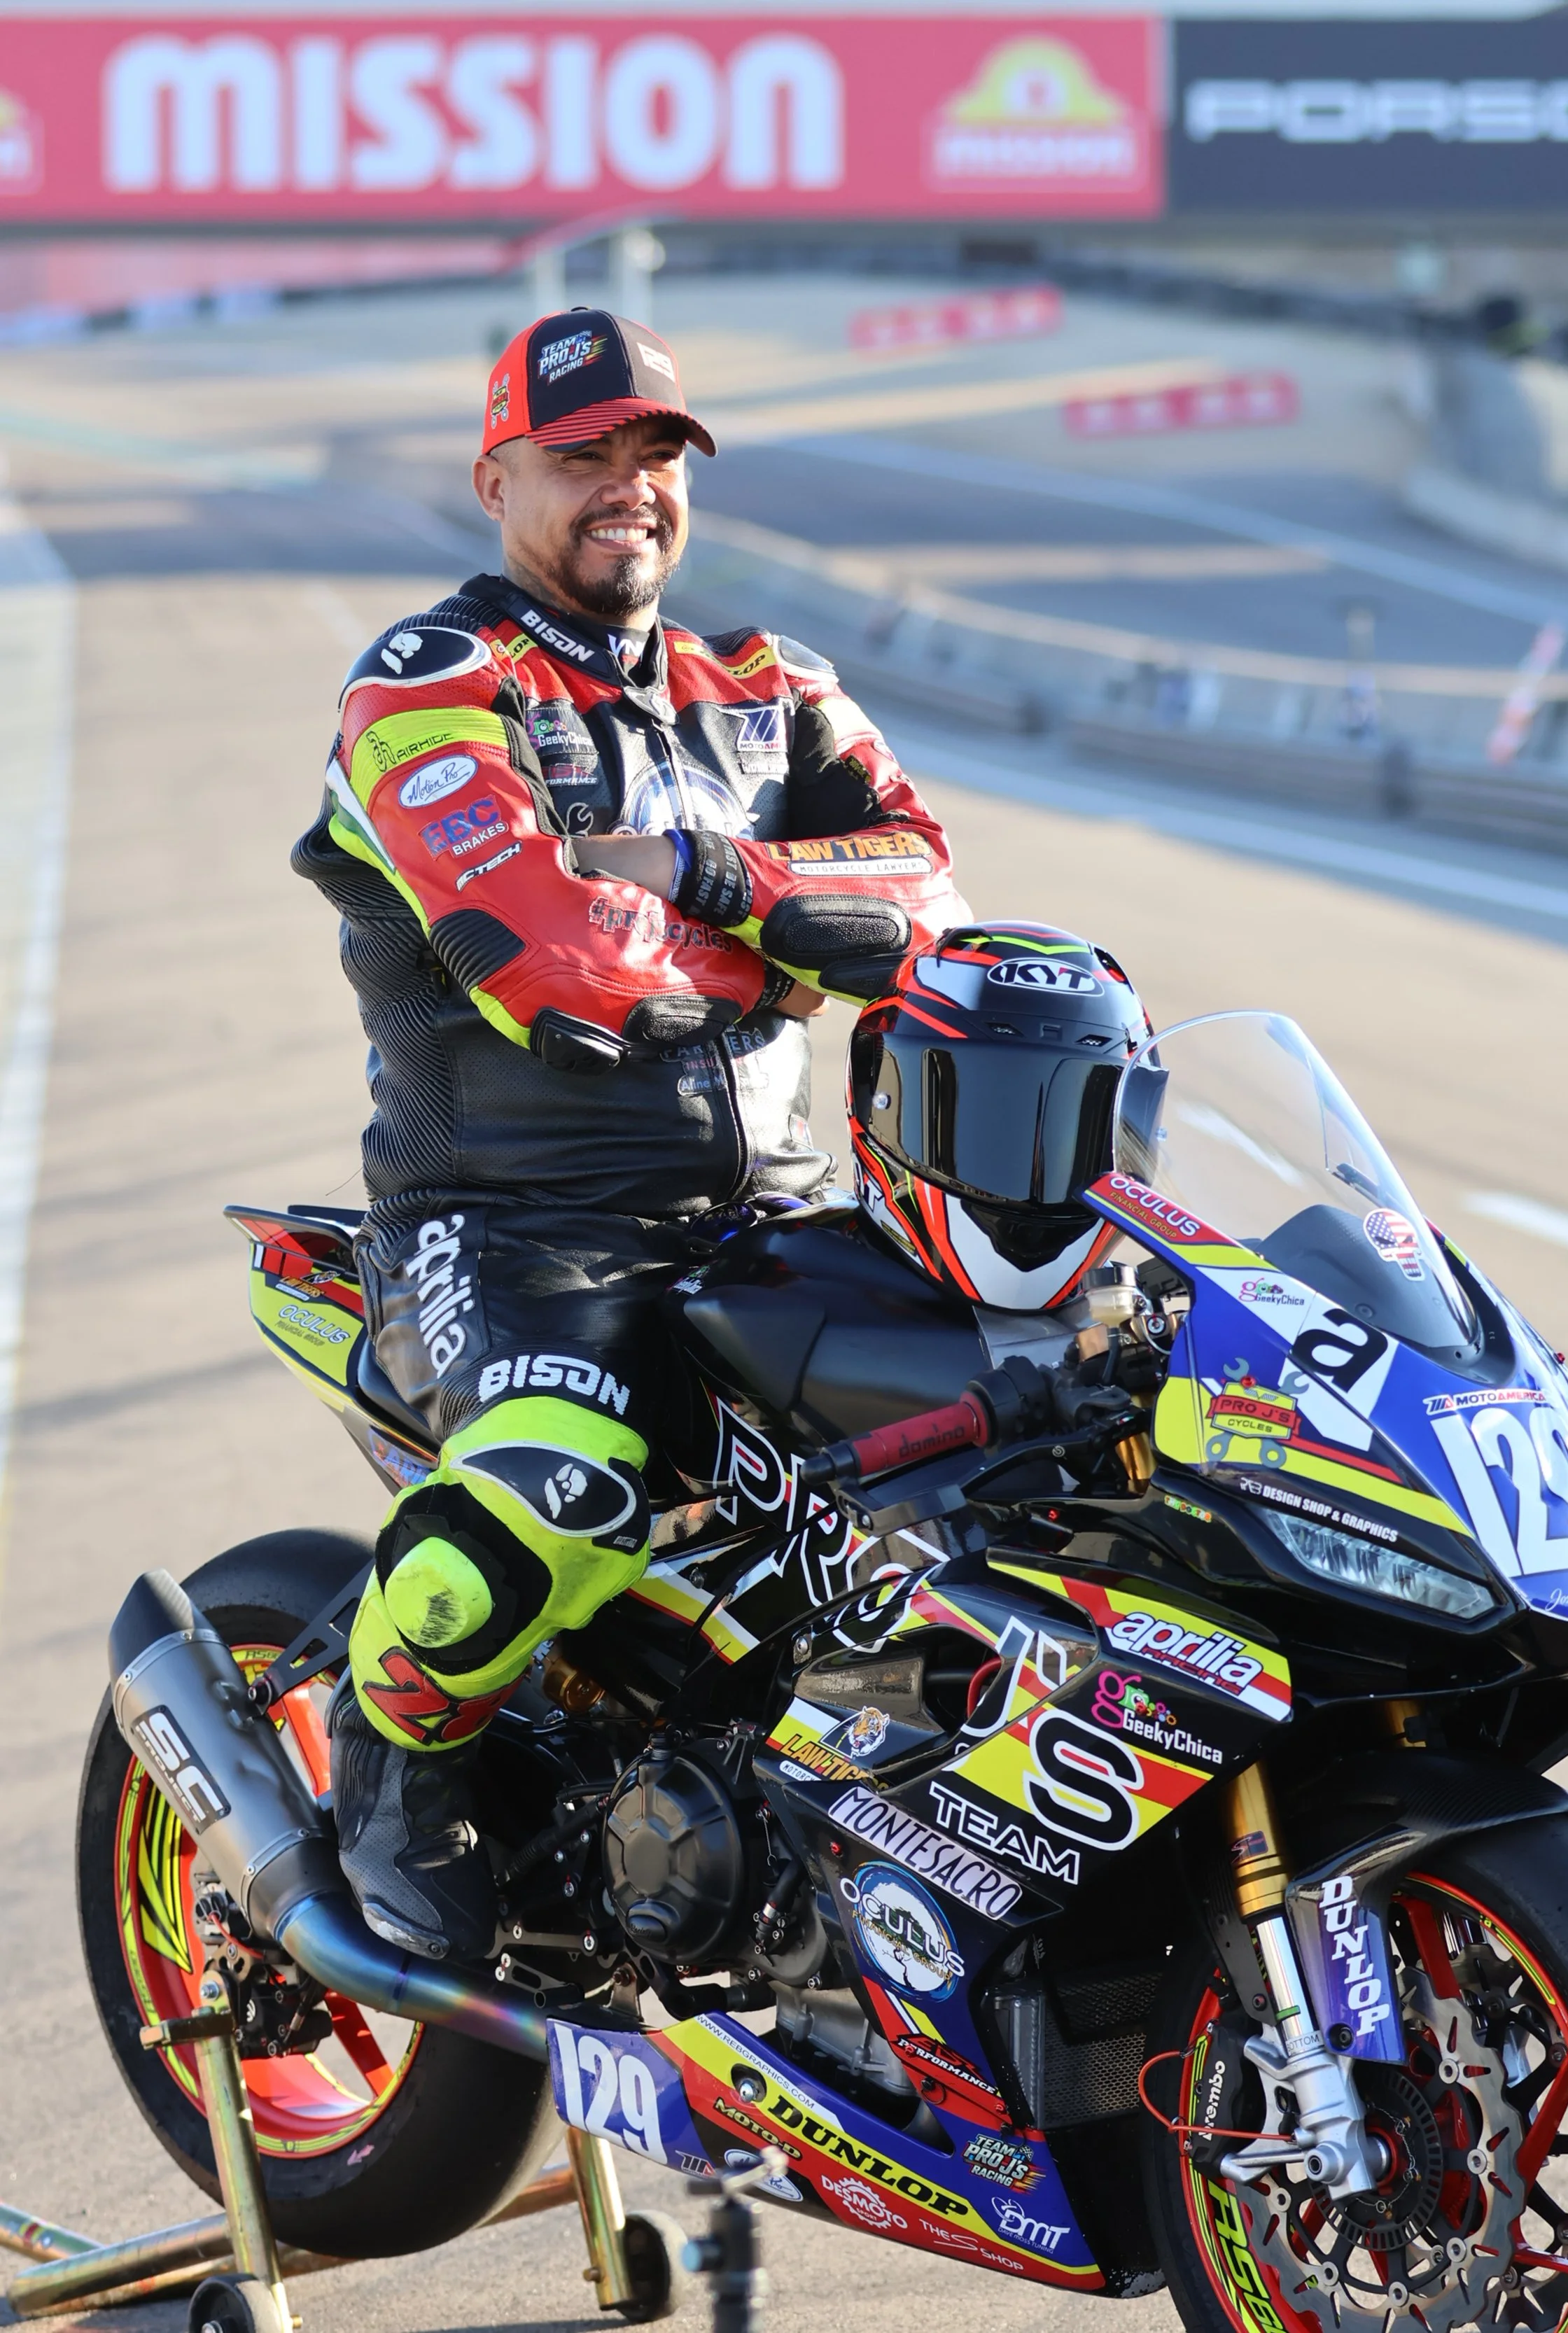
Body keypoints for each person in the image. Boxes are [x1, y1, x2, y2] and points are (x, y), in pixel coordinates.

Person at [295, 308, 968, 1960]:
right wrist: (809, 937)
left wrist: (714, 872)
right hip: (508, 1233)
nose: (625, 487)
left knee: (1017, 1455)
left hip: (783, 1222)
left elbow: (936, 904)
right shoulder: (426, 686)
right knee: (563, 1485)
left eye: (653, 454)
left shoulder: (770, 685)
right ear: (495, 478)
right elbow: (554, 963)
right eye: (579, 455)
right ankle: (390, 1759)